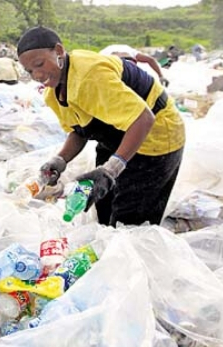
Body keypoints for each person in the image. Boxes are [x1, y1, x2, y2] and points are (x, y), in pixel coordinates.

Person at [17, 27, 185, 227]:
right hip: (117, 135)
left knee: (128, 222)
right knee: (104, 207)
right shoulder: (53, 93)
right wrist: (60, 160)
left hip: (155, 137)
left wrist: (111, 170)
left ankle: (128, 254)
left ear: (59, 51)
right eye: (29, 71)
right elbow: (78, 130)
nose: (36, 74)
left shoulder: (90, 75)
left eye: (39, 64)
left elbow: (143, 119)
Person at [100, 44, 168, 86]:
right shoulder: (129, 50)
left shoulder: (103, 53)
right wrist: (161, 76)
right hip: (126, 63)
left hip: (115, 64)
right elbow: (150, 60)